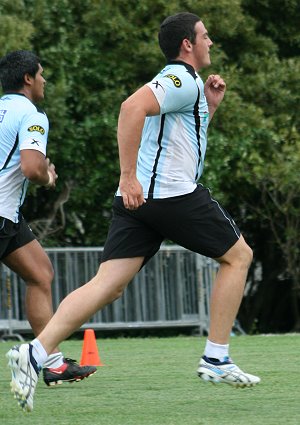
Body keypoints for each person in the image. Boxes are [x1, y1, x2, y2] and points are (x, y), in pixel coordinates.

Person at [7, 13, 260, 412]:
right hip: (170, 197)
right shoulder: (180, 78)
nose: (211, 42)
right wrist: (129, 176)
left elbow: (178, 138)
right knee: (239, 255)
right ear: (187, 45)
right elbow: (130, 108)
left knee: (108, 284)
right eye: (205, 36)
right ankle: (216, 357)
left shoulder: (186, 86)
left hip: (140, 203)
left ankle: (35, 353)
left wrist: (208, 108)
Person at [0, 50, 96, 389]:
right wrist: (48, 177)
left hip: (8, 215)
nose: (44, 80)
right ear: (28, 78)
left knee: (41, 273)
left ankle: (52, 362)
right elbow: (31, 166)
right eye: (41, 74)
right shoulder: (32, 114)